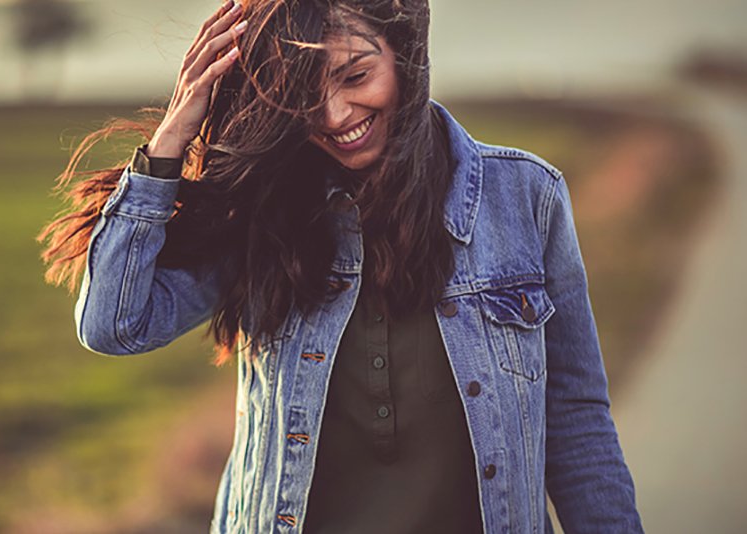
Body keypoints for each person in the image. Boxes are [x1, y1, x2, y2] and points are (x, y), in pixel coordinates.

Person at [37, 0, 644, 532]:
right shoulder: (263, 213)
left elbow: (576, 422)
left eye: (356, 74)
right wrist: (172, 138)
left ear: (403, 53)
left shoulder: (524, 196)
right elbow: (113, 326)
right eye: (302, 96)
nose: (333, 116)